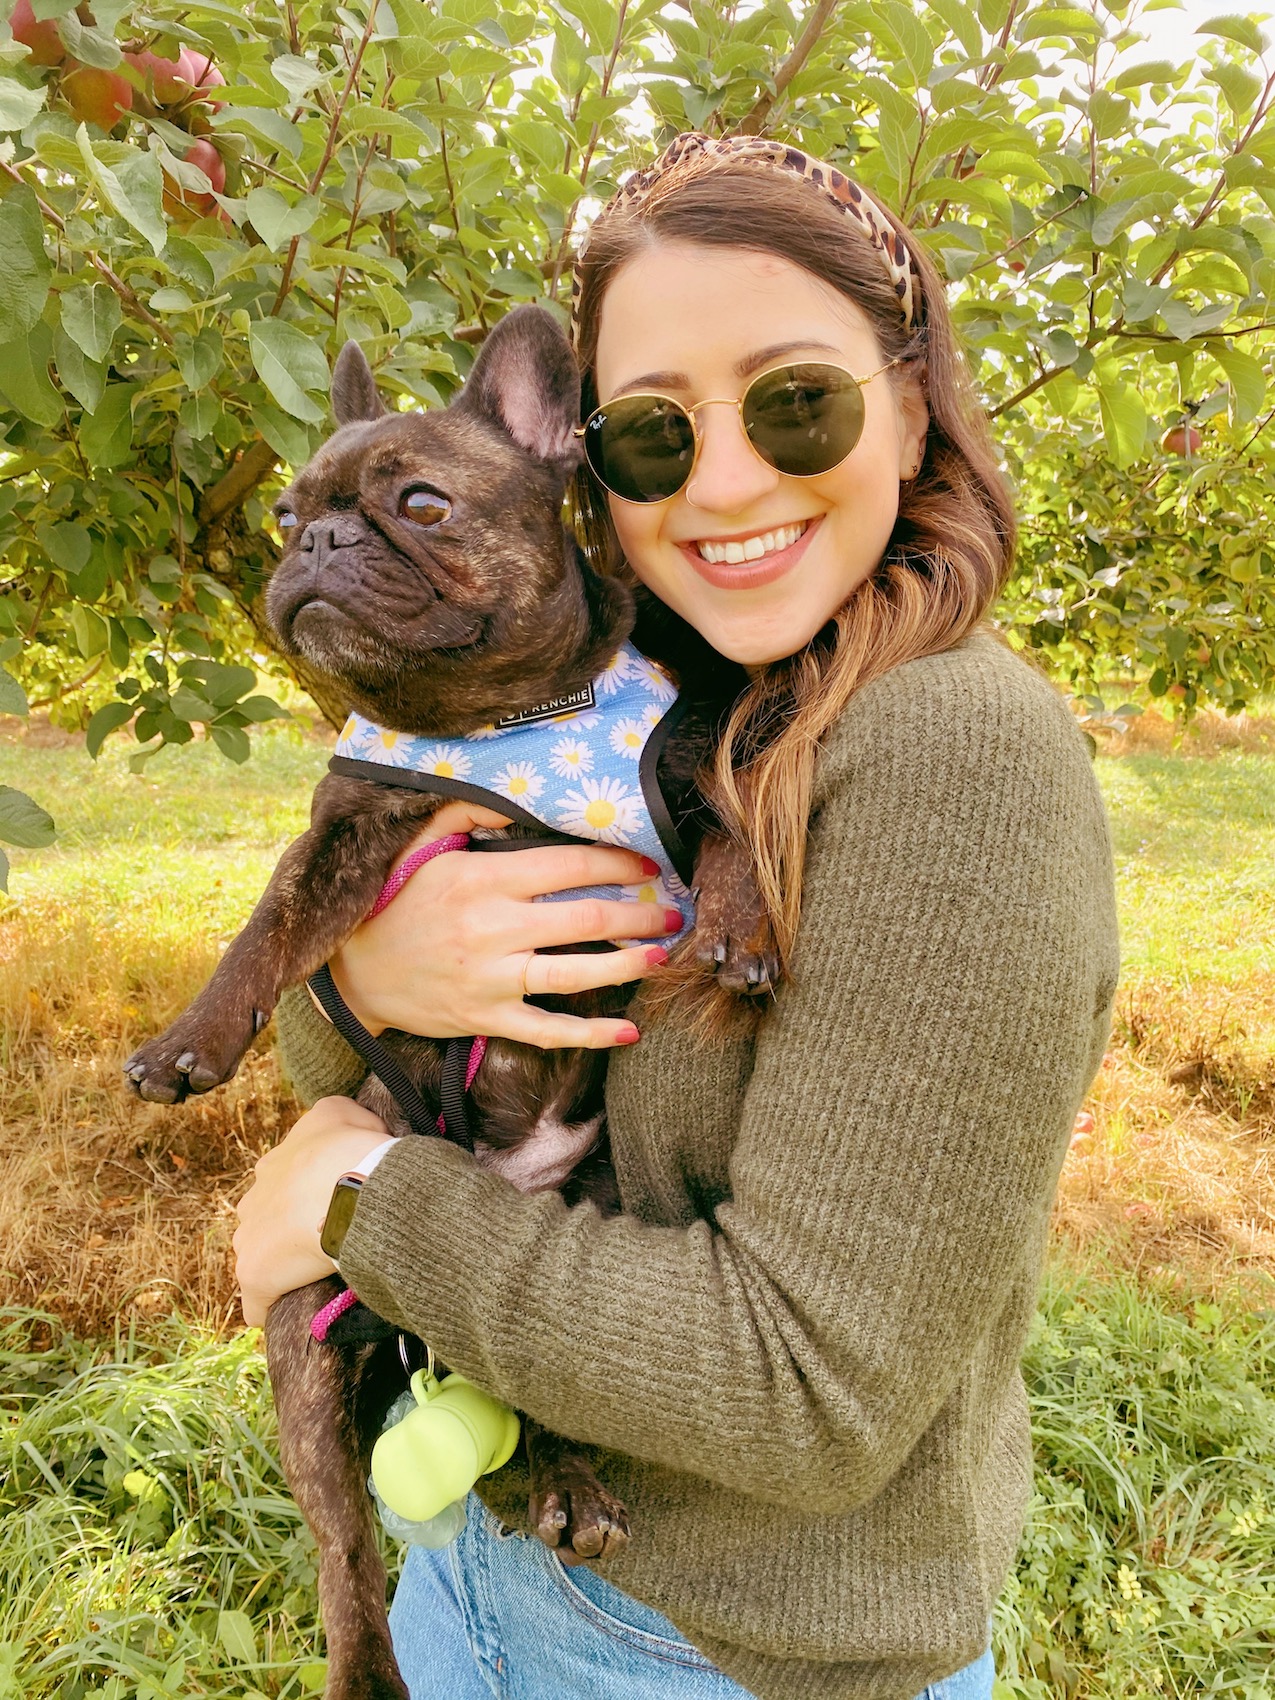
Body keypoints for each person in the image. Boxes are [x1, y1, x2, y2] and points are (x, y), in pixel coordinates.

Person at [233, 132, 1120, 1700]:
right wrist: (367, 979)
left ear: (912, 401)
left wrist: (351, 1196)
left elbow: (805, 1396)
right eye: (651, 435)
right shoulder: (656, 704)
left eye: (796, 401)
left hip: (715, 1651)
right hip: (485, 1558)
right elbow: (364, 1047)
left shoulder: (951, 747)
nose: (721, 479)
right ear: (584, 466)